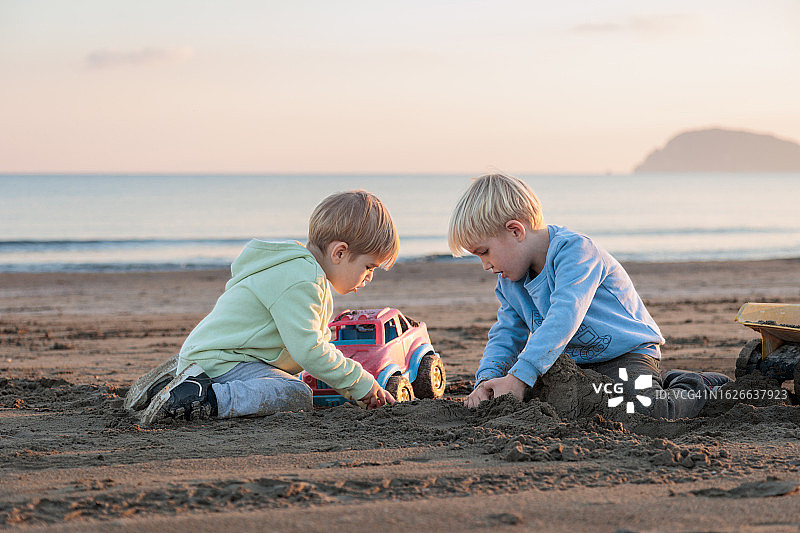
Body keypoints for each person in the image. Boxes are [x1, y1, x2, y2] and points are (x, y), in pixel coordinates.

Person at [448, 173, 730, 419]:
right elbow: (506, 335)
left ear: (515, 231)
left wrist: (520, 376)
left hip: (626, 353)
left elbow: (564, 316)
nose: (486, 265)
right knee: (545, 403)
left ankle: (697, 384)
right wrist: (486, 381)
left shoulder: (576, 252)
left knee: (643, 411)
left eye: (484, 252)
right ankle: (654, 381)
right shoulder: (509, 282)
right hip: (574, 364)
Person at [131, 190, 398, 425]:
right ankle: (206, 397)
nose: (369, 277)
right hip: (226, 360)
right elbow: (310, 350)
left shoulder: (297, 270)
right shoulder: (303, 280)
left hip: (214, 355)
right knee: (296, 393)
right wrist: (359, 383)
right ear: (339, 253)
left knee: (285, 381)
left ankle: (171, 382)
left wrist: (345, 379)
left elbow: (314, 340)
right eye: (368, 267)